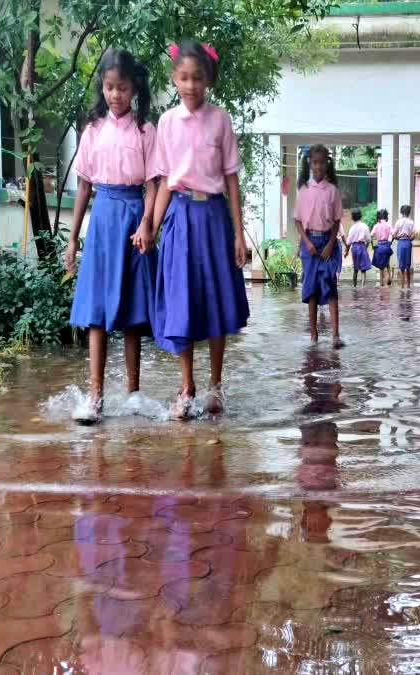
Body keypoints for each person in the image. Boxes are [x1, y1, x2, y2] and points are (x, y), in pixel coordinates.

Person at [149, 40, 249, 420]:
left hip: (213, 218)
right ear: (174, 79)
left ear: (208, 80)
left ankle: (216, 386)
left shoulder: (220, 119)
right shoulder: (167, 123)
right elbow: (162, 183)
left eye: (198, 78)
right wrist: (153, 229)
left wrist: (239, 234)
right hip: (179, 216)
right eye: (184, 78)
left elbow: (231, 179)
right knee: (182, 304)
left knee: (218, 302)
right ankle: (186, 385)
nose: (191, 86)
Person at [65, 49, 157, 425]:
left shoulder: (146, 131)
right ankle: (96, 396)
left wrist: (147, 223)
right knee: (97, 312)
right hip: (102, 219)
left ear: (134, 88)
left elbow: (154, 184)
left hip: (135, 218)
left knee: (134, 312)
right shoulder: (92, 131)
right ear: (101, 87)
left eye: (121, 88)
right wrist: (73, 239)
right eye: (108, 87)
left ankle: (133, 394)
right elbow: (84, 187)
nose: (115, 95)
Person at [296, 144, 345, 348]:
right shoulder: (304, 191)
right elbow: (298, 221)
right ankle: (313, 335)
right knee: (312, 291)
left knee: (330, 287)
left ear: (327, 164)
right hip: (310, 245)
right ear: (310, 163)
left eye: (322, 162)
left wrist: (330, 244)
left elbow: (336, 221)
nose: (318, 166)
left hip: (327, 244)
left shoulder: (333, 191)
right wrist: (306, 243)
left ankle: (335, 335)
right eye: (314, 162)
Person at [345, 208, 371, 287]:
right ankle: (362, 287)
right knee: (363, 269)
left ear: (352, 217)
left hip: (354, 248)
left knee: (355, 269)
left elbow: (348, 242)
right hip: (362, 246)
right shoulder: (364, 226)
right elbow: (369, 239)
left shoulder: (352, 228)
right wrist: (365, 247)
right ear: (360, 216)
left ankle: (354, 287)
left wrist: (346, 252)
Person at [392, 204, 416, 288]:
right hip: (408, 243)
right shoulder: (411, 222)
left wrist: (399, 238)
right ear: (409, 212)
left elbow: (394, 235)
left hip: (401, 242)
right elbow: (413, 235)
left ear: (401, 212)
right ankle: (408, 285)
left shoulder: (398, 222)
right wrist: (409, 239)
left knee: (401, 265)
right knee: (408, 264)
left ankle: (402, 285)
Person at [370, 209, 393, 287]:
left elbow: (371, 236)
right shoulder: (388, 225)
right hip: (387, 246)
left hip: (379, 246)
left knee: (381, 267)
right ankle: (389, 277)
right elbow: (393, 234)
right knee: (387, 263)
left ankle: (381, 284)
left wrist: (373, 245)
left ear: (378, 217)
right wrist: (390, 243)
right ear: (386, 216)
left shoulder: (376, 225)